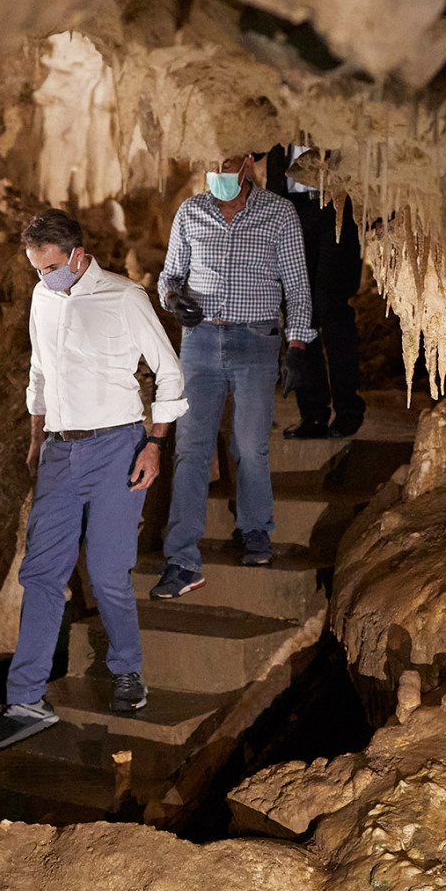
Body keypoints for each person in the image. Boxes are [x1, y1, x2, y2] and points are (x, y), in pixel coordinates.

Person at [0, 209, 187, 754]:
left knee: (108, 570)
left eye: (49, 267)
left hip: (117, 446)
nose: (43, 277)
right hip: (58, 450)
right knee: (41, 572)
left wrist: (155, 445)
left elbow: (169, 372)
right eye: (35, 269)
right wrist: (36, 439)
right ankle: (25, 700)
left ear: (76, 254)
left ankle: (127, 670)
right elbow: (39, 373)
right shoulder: (42, 298)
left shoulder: (124, 297)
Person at [150, 152, 315, 597]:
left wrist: (297, 345)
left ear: (246, 164)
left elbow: (297, 285)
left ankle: (255, 530)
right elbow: (170, 275)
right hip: (200, 341)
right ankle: (181, 558)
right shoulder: (191, 212)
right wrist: (172, 299)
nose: (217, 173)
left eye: (225, 163)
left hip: (255, 339)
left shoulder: (278, 213)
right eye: (212, 163)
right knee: (191, 449)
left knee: (250, 445)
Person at [269, 145, 366, 440]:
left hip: (337, 202)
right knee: (297, 308)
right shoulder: (280, 123)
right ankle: (312, 413)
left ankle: (348, 408)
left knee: (330, 305)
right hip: (290, 206)